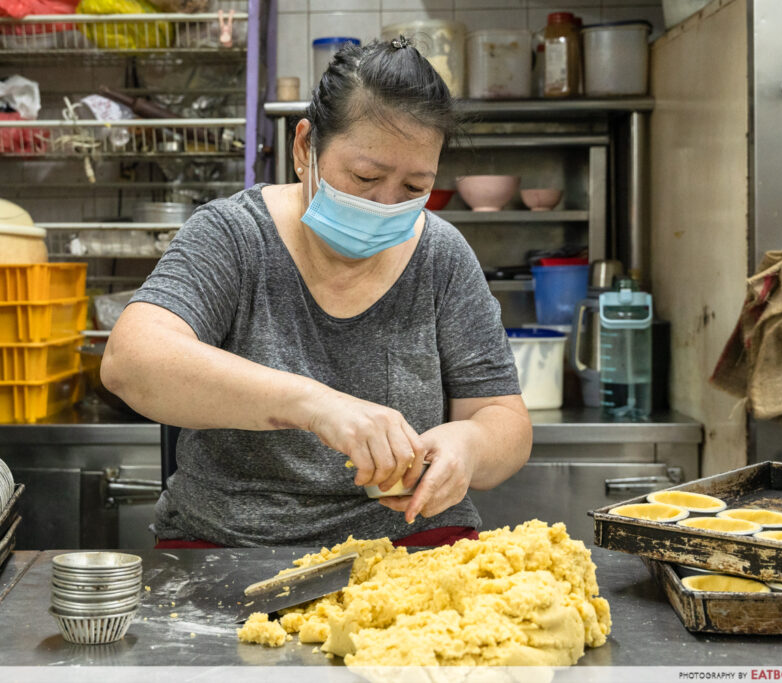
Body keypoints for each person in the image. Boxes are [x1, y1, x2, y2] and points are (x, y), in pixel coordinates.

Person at [102, 37, 532, 549]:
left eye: (414, 188)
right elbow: (131, 361)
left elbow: (505, 420)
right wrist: (315, 405)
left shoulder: (440, 255)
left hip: (411, 546)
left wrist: (471, 445)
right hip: (234, 546)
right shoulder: (234, 236)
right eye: (365, 176)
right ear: (305, 148)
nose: (385, 205)